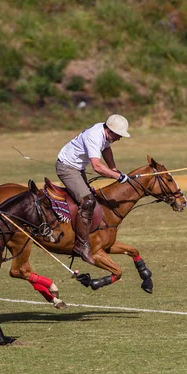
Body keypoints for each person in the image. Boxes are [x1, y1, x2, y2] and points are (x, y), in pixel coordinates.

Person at [56, 114, 131, 265]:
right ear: (110, 131)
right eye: (118, 135)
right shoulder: (94, 136)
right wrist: (117, 176)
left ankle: (88, 235)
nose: (119, 139)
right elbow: (97, 166)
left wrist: (114, 169)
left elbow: (106, 150)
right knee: (88, 201)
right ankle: (81, 246)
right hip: (67, 168)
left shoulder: (104, 134)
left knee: (93, 199)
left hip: (77, 168)